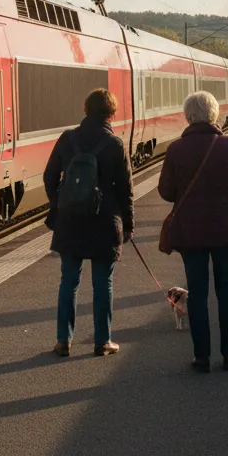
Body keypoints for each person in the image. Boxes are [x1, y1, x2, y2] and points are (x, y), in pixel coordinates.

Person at [159, 90, 228, 372]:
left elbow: (166, 191)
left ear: (188, 116)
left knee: (198, 293)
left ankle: (201, 357)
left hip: (191, 232)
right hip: (227, 228)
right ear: (214, 114)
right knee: (227, 290)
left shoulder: (176, 149)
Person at [43, 88, 134, 357]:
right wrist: (128, 225)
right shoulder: (115, 144)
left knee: (69, 281)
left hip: (70, 222)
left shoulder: (67, 138)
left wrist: (61, 202)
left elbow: (49, 177)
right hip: (104, 222)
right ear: (112, 113)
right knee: (103, 283)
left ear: (85, 109)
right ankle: (103, 341)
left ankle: (63, 341)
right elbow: (126, 190)